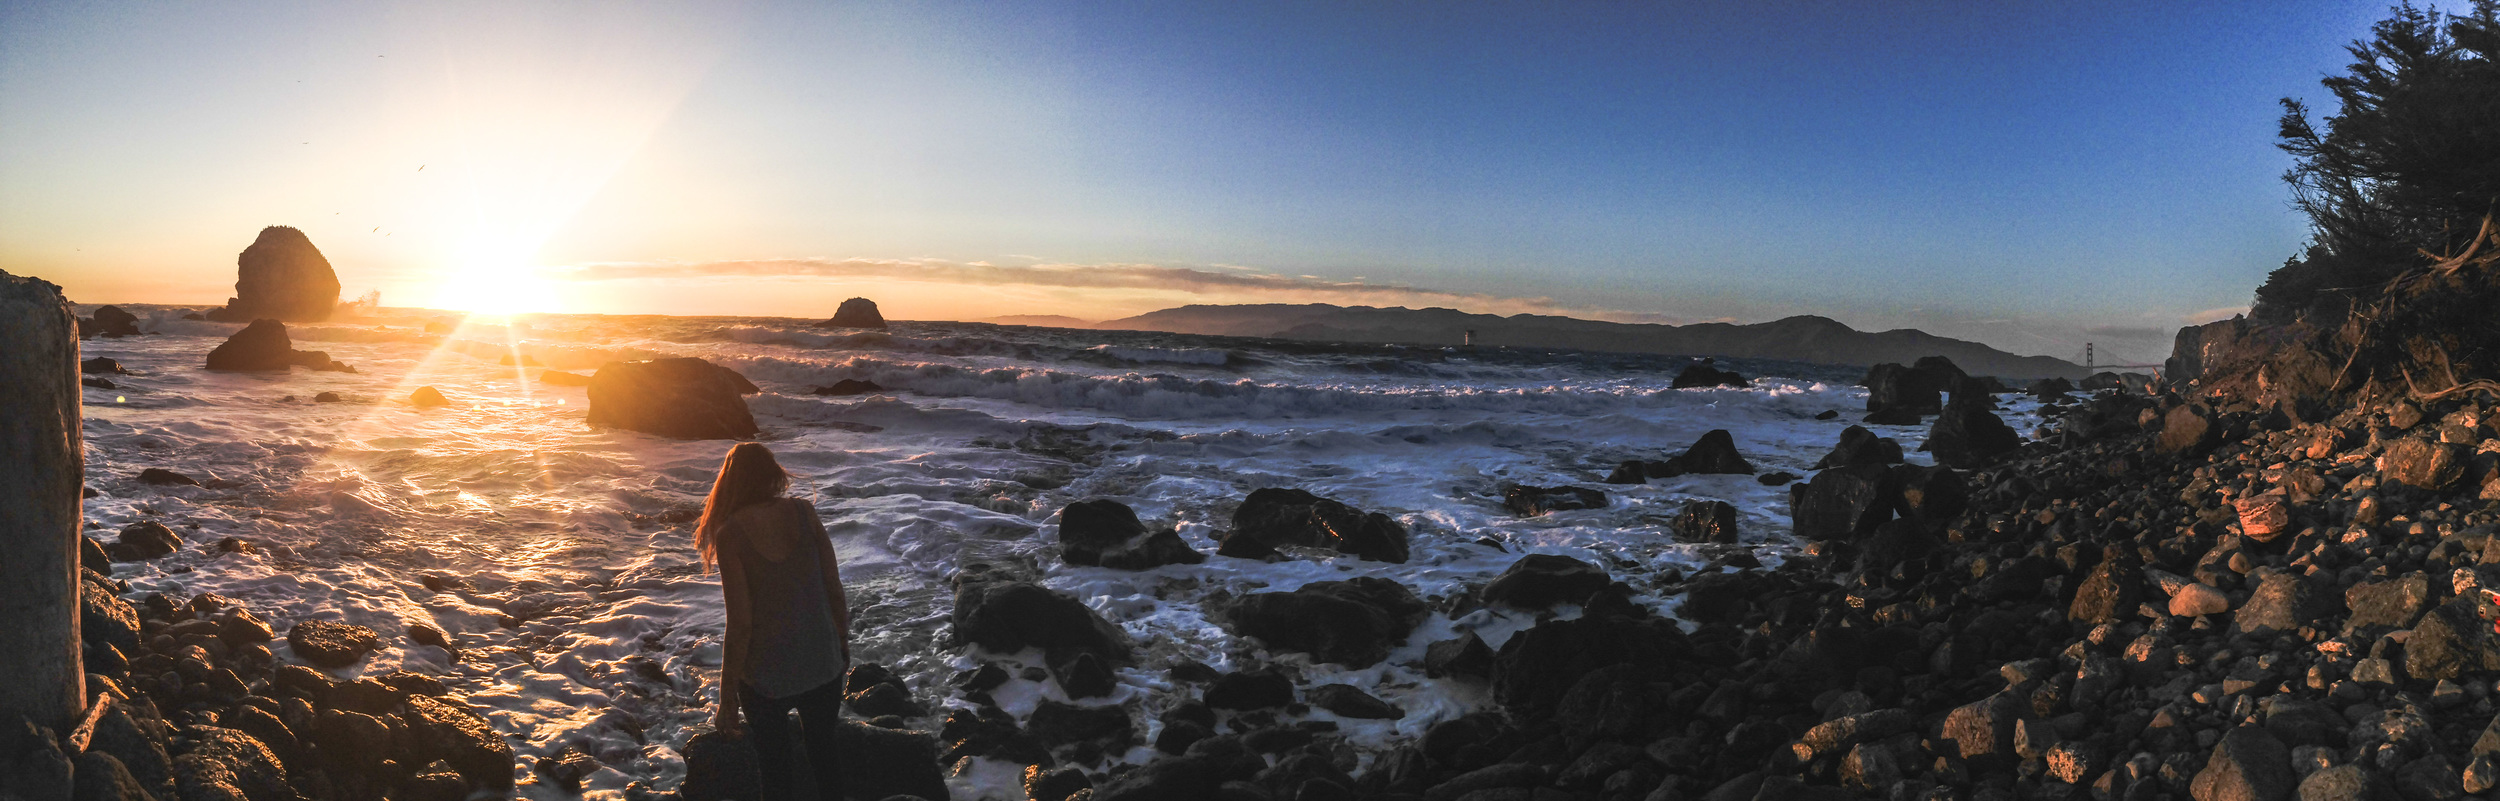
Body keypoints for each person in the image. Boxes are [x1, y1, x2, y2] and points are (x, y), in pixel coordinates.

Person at [699, 442, 851, 800]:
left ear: (729, 483)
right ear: (774, 475)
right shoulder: (803, 513)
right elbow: (833, 587)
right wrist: (840, 644)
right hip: (822, 663)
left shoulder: (731, 534)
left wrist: (727, 699)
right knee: (825, 757)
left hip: (765, 676)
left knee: (775, 772)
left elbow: (740, 625)